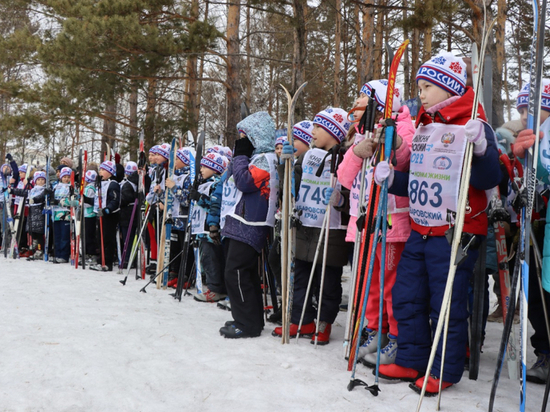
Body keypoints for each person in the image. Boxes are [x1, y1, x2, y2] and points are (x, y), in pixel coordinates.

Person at [375, 52, 501, 394]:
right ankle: (413, 359)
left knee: (445, 301)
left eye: (428, 86)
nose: (422, 93)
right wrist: (393, 181)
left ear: (450, 89)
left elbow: (491, 178)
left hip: (455, 232)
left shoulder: (473, 124)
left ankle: (444, 367)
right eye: (419, 86)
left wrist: (481, 148)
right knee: (407, 295)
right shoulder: (425, 125)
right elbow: (421, 177)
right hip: (420, 226)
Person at [337, 79, 415, 365]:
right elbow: (345, 178)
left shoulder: (405, 128)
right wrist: (356, 154)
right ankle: (374, 329)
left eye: (364, 98)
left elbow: (406, 163)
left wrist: (393, 143)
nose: (358, 104)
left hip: (391, 220)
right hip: (363, 219)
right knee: (367, 281)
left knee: (390, 283)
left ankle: (395, 335)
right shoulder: (359, 135)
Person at [272, 107, 351, 345]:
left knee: (328, 281)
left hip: (331, 229)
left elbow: (354, 192)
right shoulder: (308, 156)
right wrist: (284, 165)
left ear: (333, 132)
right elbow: (291, 186)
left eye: (319, 127)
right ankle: (301, 319)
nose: (312, 131)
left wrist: (340, 200)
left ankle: (324, 322)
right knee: (299, 277)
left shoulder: (347, 157)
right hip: (305, 224)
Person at [218, 111, 279, 339]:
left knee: (236, 271)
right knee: (243, 272)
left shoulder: (266, 158)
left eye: (245, 136)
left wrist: (240, 157)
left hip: (251, 221)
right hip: (243, 219)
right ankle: (248, 318)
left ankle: (247, 323)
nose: (241, 141)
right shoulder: (260, 157)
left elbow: (245, 182)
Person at [510, 79, 550, 383]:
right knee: (535, 296)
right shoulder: (524, 140)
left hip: (543, 226)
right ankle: (544, 352)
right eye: (522, 109)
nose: (526, 116)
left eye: (535, 110)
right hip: (532, 229)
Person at [188, 152, 230, 302]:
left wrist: (198, 198)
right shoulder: (204, 183)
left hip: (210, 229)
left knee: (212, 259)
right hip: (201, 228)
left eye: (205, 167)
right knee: (206, 258)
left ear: (215, 168)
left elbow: (214, 206)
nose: (201, 170)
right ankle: (214, 286)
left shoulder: (216, 184)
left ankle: (216, 289)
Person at [90, 160, 121, 271]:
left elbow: (115, 200)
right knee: (99, 238)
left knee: (108, 239)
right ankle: (100, 260)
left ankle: (107, 262)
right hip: (100, 213)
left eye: (103, 170)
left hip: (109, 215)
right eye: (100, 170)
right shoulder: (100, 183)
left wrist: (107, 209)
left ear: (110, 172)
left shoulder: (113, 184)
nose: (100, 172)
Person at [119, 161, 139, 269]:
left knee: (128, 238)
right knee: (130, 238)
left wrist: (119, 201)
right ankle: (130, 259)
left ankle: (127, 259)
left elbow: (124, 199)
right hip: (131, 213)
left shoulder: (127, 184)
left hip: (127, 214)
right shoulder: (135, 183)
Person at [51, 166, 73, 263]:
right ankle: (57, 254)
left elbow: (73, 201)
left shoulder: (72, 187)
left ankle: (64, 256)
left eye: (68, 177)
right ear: (61, 177)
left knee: (65, 236)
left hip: (66, 215)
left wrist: (61, 202)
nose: (66, 179)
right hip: (56, 214)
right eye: (64, 177)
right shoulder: (56, 186)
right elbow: (51, 199)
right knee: (57, 236)